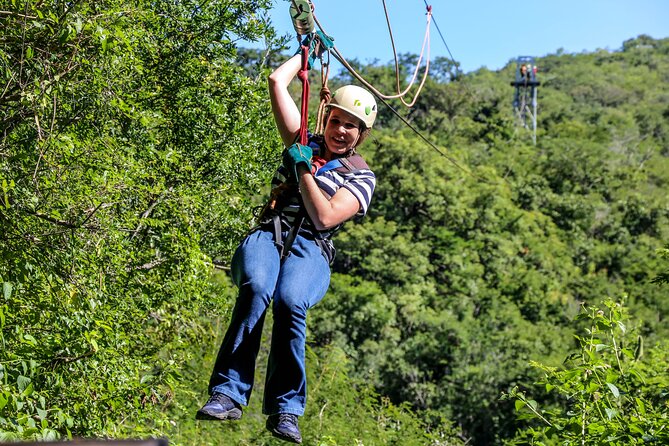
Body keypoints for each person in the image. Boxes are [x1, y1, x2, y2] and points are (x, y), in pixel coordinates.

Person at [195, 49, 378, 444]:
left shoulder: (362, 177)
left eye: (351, 126)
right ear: (325, 118)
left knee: (291, 300)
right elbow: (278, 82)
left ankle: (285, 410)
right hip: (268, 234)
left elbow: (326, 217)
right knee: (259, 288)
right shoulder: (303, 141)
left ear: (361, 134)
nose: (340, 130)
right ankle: (227, 392)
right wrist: (306, 53)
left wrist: (301, 168)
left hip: (311, 248)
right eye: (335, 121)